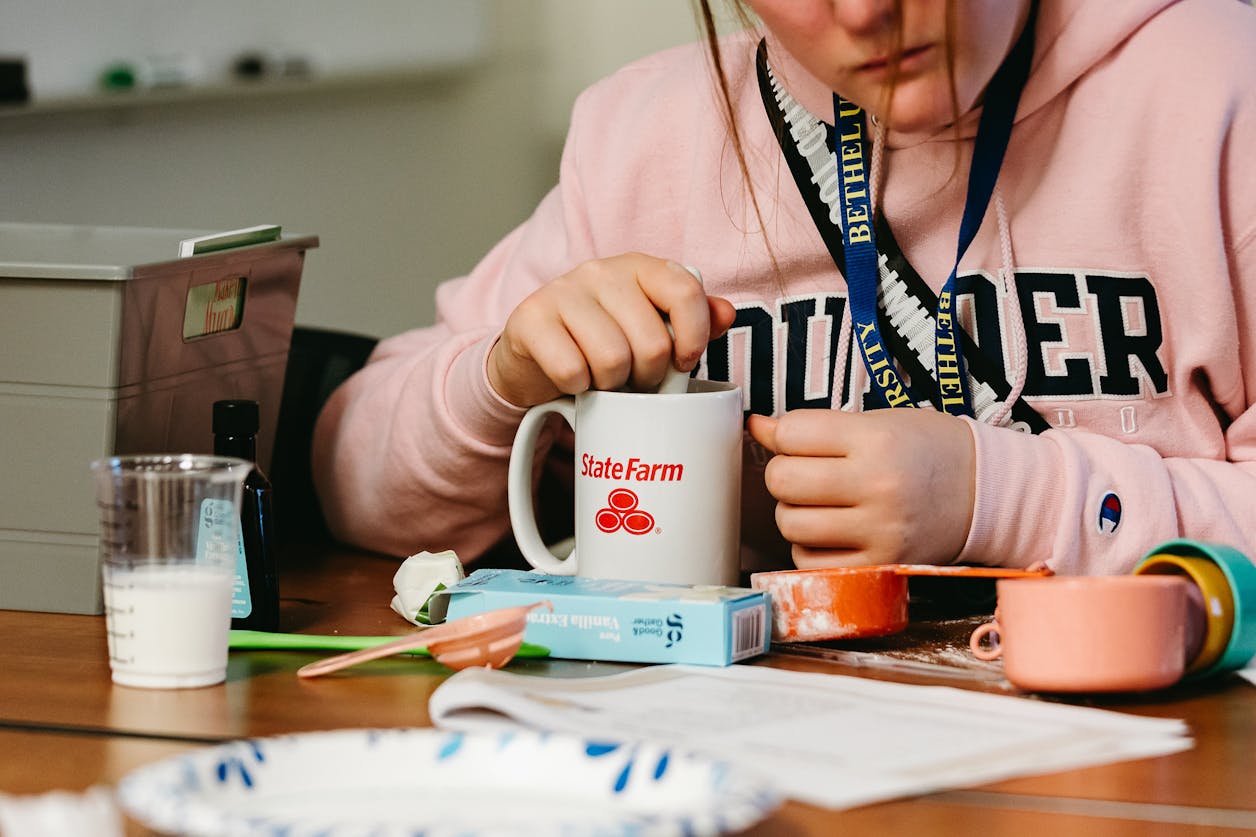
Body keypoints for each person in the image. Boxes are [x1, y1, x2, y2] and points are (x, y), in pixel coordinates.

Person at [312, 0, 1256, 579]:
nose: (860, 11)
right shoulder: (644, 139)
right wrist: (502, 378)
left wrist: (997, 496)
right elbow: (351, 476)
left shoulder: (1219, 86)